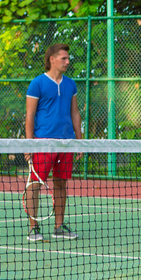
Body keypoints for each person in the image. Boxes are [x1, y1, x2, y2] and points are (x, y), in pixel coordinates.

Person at [24, 43, 83, 242]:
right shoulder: (37, 83)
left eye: (68, 58)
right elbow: (30, 115)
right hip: (42, 142)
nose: (67, 61)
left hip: (66, 143)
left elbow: (75, 113)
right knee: (34, 184)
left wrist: (79, 140)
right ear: (52, 59)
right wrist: (29, 143)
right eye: (63, 58)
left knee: (61, 183)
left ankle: (59, 226)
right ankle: (34, 227)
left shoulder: (70, 84)